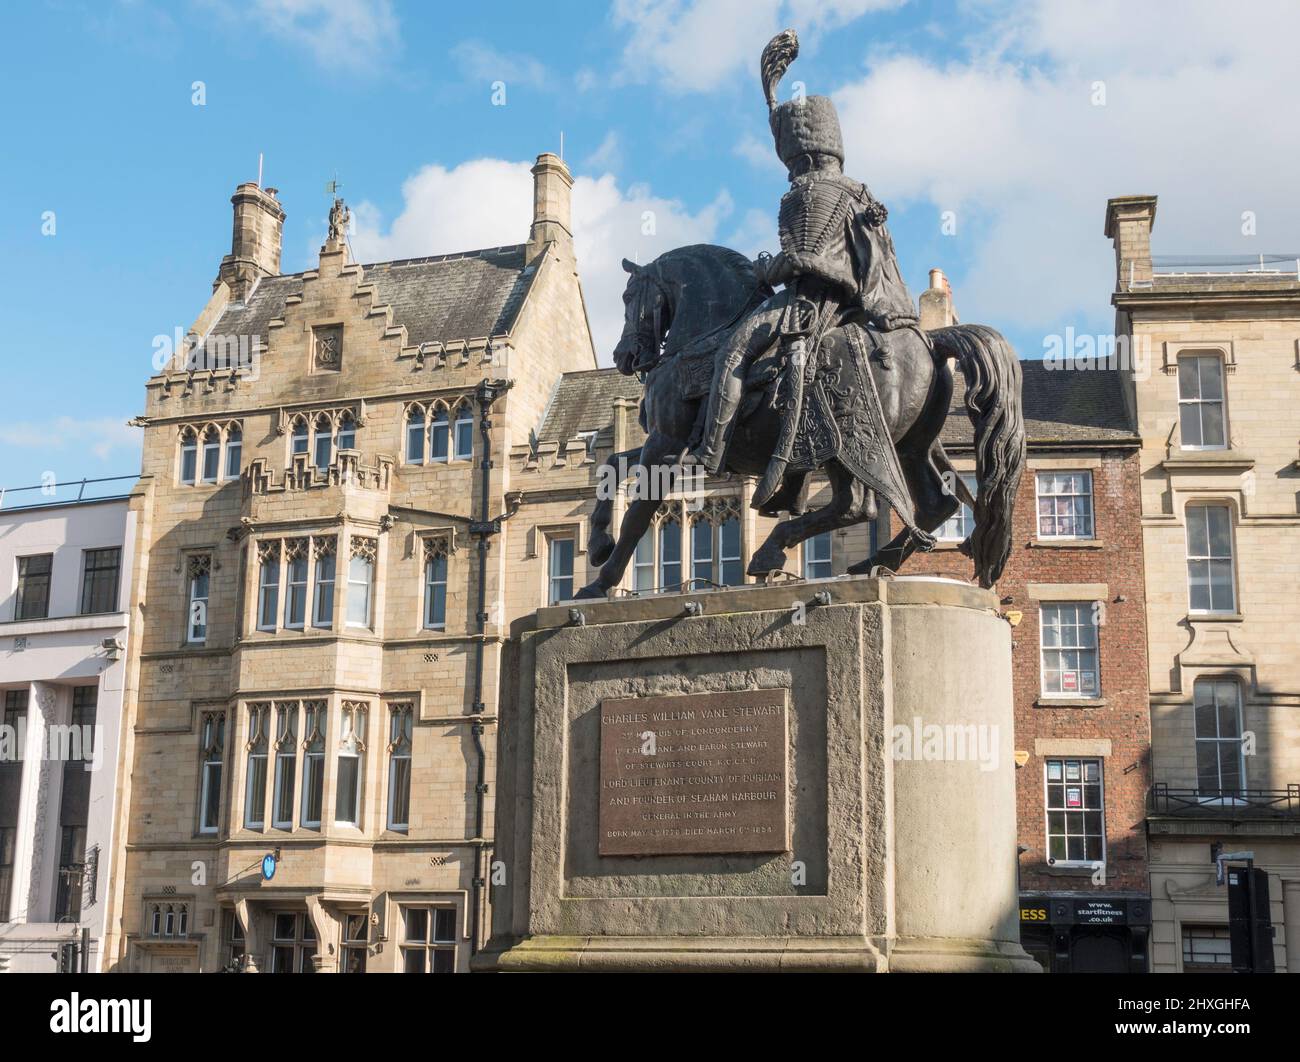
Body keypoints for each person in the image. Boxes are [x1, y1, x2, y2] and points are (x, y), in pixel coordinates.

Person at [683, 31, 917, 481]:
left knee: (732, 354)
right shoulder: (857, 191)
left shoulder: (807, 193)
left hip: (809, 303)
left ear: (801, 155)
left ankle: (709, 452)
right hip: (857, 306)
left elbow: (801, 260)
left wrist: (763, 269)